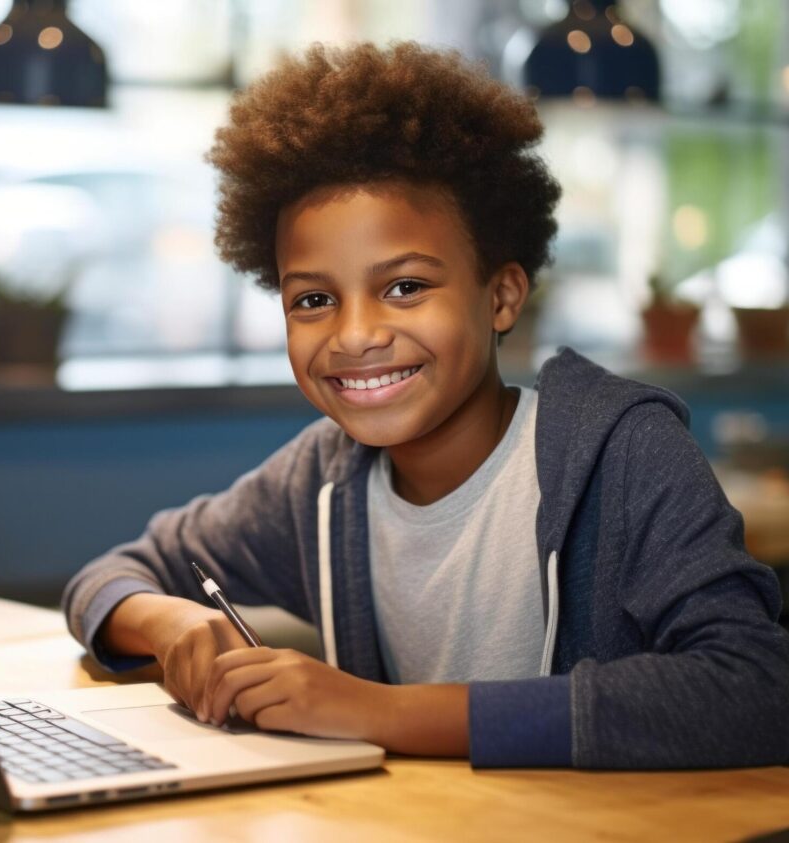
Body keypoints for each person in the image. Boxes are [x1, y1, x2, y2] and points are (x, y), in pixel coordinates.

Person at [63, 42, 789, 768]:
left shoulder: (621, 452)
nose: (355, 336)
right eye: (313, 299)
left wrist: (376, 710)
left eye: (405, 286)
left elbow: (755, 687)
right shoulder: (321, 480)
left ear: (501, 295)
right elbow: (113, 574)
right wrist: (173, 623)